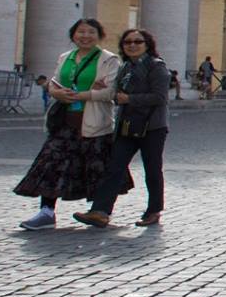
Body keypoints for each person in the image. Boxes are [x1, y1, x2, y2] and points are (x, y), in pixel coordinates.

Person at [14, 19, 122, 230]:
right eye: (81, 32)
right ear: (73, 35)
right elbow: (55, 82)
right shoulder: (65, 58)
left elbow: (110, 91)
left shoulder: (109, 60)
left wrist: (79, 95)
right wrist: (55, 92)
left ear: (99, 35)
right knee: (51, 164)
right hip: (65, 121)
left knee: (97, 167)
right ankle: (46, 212)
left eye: (91, 32)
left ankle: (100, 211)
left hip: (94, 121)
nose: (85, 36)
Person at [73, 29, 172, 227]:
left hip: (152, 126)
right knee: (114, 167)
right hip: (127, 125)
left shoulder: (156, 66)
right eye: (128, 42)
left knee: (152, 169)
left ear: (147, 44)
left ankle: (154, 210)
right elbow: (117, 93)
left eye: (138, 41)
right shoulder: (125, 67)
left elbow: (160, 97)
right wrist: (104, 88)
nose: (132, 45)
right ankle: (100, 211)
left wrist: (130, 99)